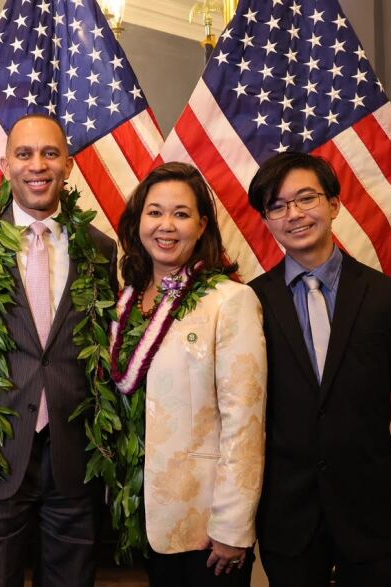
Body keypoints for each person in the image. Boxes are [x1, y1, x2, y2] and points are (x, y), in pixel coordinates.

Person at [0, 113, 118, 587]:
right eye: (24, 153)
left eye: (50, 153)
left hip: (73, 456)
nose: (38, 165)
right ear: (6, 163)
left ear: (68, 164)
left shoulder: (99, 248)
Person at [247, 152, 391, 586]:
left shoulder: (387, 299)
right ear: (267, 220)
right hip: (287, 517)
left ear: (334, 204)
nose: (293, 214)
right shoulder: (250, 303)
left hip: (372, 517)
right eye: (277, 206)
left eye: (306, 198)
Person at [110, 162, 266, 586]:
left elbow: (245, 423)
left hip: (203, 522)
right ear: (137, 221)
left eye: (181, 214)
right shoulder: (124, 301)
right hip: (140, 510)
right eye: (155, 211)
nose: (166, 225)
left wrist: (232, 526)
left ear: (202, 225)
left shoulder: (229, 301)